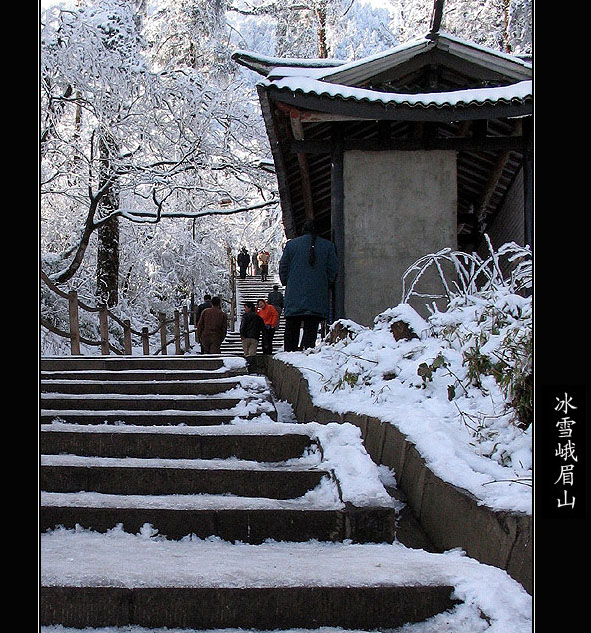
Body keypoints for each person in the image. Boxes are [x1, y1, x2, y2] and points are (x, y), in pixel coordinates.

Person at [279, 219, 338, 352]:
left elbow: (283, 268)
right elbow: (332, 270)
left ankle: (289, 355)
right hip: (317, 295)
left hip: (294, 295)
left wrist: (288, 283)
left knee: (291, 329)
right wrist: (324, 284)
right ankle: (307, 353)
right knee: (311, 329)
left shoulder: (292, 245)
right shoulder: (328, 246)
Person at [239, 301, 264, 373]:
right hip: (255, 338)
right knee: (252, 353)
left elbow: (242, 327)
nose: (245, 309)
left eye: (246, 308)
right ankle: (253, 369)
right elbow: (262, 328)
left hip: (246, 338)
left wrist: (242, 335)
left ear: (249, 308)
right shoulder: (258, 317)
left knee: (246, 354)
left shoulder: (245, 317)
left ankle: (248, 368)